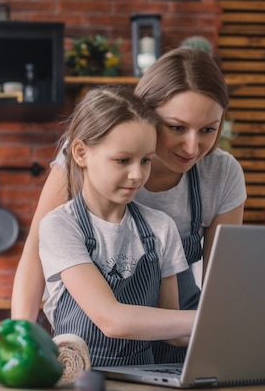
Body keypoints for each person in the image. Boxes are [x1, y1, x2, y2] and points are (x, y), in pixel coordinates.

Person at [11, 47, 247, 363]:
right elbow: (37, 252)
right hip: (86, 348)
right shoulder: (89, 158)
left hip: (175, 334)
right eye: (177, 127)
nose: (193, 147)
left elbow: (222, 282)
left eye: (208, 129)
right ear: (145, 112)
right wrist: (20, 338)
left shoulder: (220, 174)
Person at [39, 84, 194, 367]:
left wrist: (237, 324)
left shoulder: (161, 227)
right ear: (81, 153)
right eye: (123, 160)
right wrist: (210, 318)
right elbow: (110, 319)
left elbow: (173, 329)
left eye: (145, 160)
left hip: (143, 378)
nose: (137, 175)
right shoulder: (61, 226)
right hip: (78, 378)